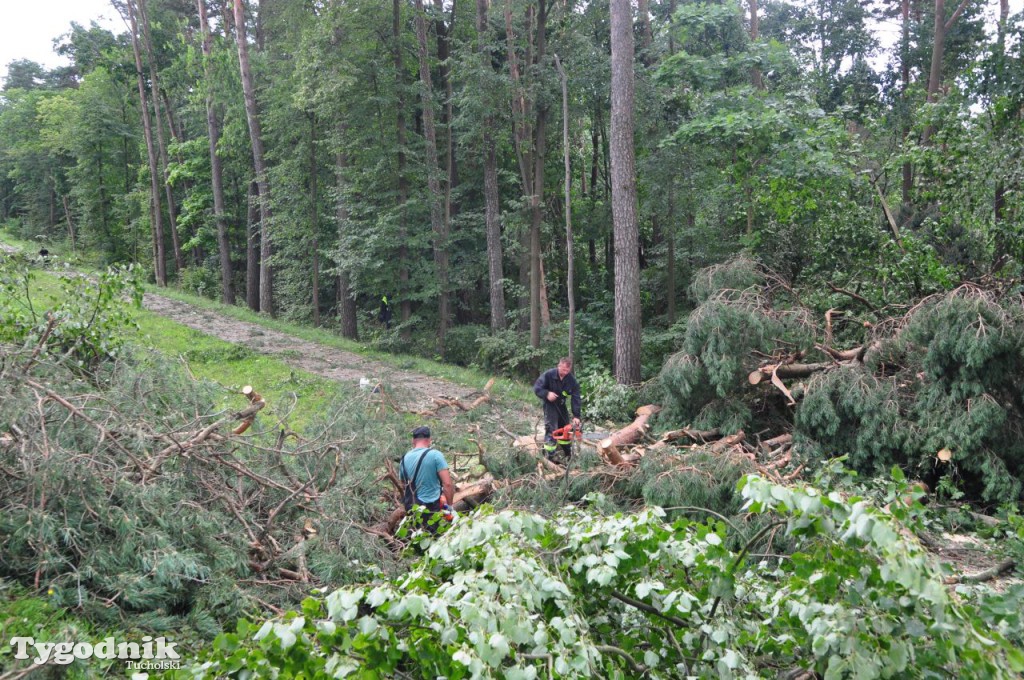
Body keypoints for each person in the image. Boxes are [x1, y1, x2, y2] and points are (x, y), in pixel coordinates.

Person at [399, 425, 454, 533]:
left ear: (413, 441)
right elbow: (447, 484)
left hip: (412, 508)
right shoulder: (435, 455)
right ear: (429, 440)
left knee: (417, 539)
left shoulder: (404, 459)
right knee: (434, 540)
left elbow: (403, 485)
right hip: (431, 508)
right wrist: (450, 507)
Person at [533, 357, 581, 462]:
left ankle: (567, 454)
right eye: (563, 370)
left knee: (566, 429)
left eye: (567, 371)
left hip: (561, 405)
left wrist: (576, 416)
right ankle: (549, 456)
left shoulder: (571, 380)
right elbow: (536, 388)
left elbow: (576, 397)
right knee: (552, 429)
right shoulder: (549, 375)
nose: (565, 372)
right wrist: (546, 394)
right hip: (550, 405)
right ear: (558, 366)